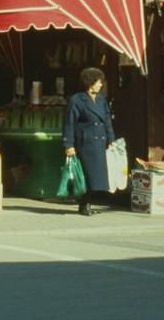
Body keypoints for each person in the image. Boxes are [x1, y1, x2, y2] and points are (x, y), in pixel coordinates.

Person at [62, 66, 116, 216]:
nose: (101, 85)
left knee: (97, 176)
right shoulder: (77, 100)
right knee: (86, 175)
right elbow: (69, 123)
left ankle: (88, 202)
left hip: (99, 141)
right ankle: (84, 204)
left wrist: (111, 138)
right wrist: (68, 144)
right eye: (98, 82)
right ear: (90, 82)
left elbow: (107, 120)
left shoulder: (101, 99)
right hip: (85, 142)